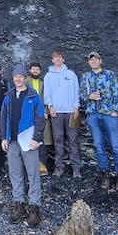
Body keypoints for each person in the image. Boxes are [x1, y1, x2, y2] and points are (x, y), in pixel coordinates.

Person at [0, 65, 46, 227]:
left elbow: (40, 118)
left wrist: (36, 138)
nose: (18, 79)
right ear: (13, 78)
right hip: (12, 141)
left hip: (28, 141)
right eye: (15, 77)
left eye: (21, 76)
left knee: (33, 173)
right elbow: (3, 118)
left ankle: (34, 206)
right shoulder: (8, 96)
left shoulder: (34, 96)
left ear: (25, 78)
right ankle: (19, 204)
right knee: (15, 173)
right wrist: (3, 137)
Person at [80, 51, 118, 192]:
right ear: (89, 62)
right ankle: (105, 173)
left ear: (100, 61)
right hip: (93, 115)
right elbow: (82, 95)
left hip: (109, 114)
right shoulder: (86, 77)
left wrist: (115, 110)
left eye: (96, 59)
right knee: (98, 145)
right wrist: (89, 96)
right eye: (91, 60)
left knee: (115, 145)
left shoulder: (109, 75)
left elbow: (117, 93)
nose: (94, 62)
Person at [43, 50, 82, 179]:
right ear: (52, 60)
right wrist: (50, 106)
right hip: (57, 113)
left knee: (73, 139)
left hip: (71, 112)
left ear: (63, 59)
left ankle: (76, 168)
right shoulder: (48, 76)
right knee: (58, 140)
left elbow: (77, 91)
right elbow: (47, 93)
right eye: (55, 58)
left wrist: (76, 107)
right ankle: (59, 167)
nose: (58, 59)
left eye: (60, 57)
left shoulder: (71, 74)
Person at [28, 62, 52, 175]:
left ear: (40, 71)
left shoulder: (44, 83)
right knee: (28, 139)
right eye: (33, 69)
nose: (35, 71)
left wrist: (46, 111)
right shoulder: (24, 82)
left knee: (41, 140)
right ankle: (30, 166)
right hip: (28, 115)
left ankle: (42, 165)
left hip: (41, 115)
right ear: (30, 70)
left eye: (37, 69)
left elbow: (48, 98)